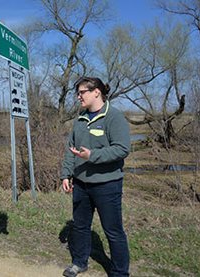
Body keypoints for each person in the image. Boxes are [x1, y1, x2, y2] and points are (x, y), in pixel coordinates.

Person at [60, 77, 131, 277]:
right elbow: (70, 150)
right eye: (78, 92)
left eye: (82, 92)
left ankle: (119, 272)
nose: (78, 96)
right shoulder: (80, 119)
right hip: (81, 184)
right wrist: (66, 174)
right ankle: (79, 262)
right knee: (80, 226)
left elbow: (122, 148)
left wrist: (93, 155)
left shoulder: (113, 117)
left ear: (96, 92)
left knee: (113, 231)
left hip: (107, 185)